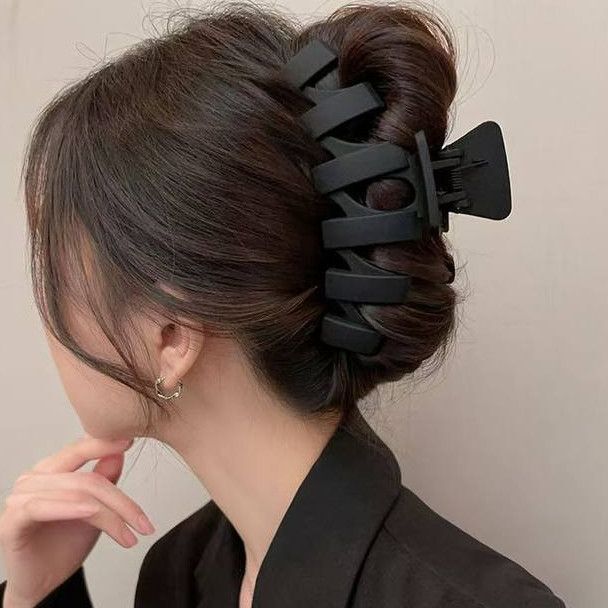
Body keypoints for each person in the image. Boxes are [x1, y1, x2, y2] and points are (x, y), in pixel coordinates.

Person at [0, 2, 566, 607]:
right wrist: (35, 595)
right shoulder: (181, 574)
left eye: (56, 269)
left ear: (170, 335)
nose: (45, 314)